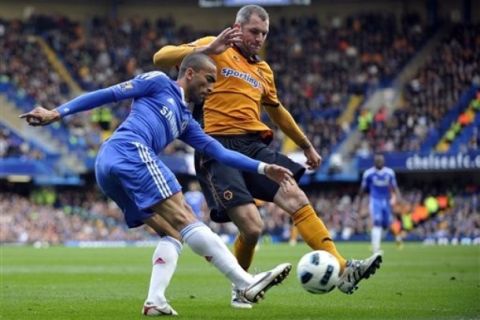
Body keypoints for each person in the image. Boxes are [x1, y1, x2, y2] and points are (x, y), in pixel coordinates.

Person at [19, 53, 293, 316]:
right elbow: (109, 93)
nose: (212, 88)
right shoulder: (160, 82)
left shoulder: (186, 121)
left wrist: (263, 167)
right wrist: (58, 112)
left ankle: (155, 300)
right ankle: (245, 283)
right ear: (189, 73)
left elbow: (220, 152)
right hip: (129, 149)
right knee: (185, 215)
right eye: (209, 79)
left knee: (172, 232)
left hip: (110, 165)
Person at [153, 4, 382, 308]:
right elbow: (160, 57)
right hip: (217, 147)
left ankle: (342, 268)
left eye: (264, 33)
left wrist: (306, 145)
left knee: (296, 198)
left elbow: (278, 112)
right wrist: (210, 47)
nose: (259, 38)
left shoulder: (263, 70)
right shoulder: (215, 48)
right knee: (252, 227)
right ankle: (241, 287)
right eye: (254, 31)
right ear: (237, 28)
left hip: (253, 145)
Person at [358, 153, 403, 253]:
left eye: (381, 160)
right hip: (375, 200)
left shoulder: (390, 173)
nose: (379, 162)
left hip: (386, 201)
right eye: (377, 160)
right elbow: (362, 189)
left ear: (384, 161)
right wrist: (359, 202)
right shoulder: (368, 173)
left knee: (387, 224)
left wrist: (399, 198)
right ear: (374, 162)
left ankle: (398, 238)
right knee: (377, 222)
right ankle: (376, 248)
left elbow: (395, 187)